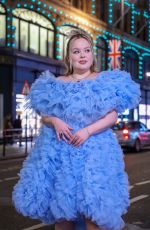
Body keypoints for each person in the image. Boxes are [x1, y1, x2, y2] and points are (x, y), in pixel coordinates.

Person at [12, 29, 141, 230]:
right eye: (76, 51)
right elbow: (44, 115)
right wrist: (55, 120)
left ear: (92, 55)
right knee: (63, 217)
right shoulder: (55, 84)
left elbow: (112, 116)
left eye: (87, 50)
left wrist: (87, 131)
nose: (82, 55)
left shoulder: (105, 81)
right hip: (62, 155)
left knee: (94, 215)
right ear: (68, 56)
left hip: (95, 154)